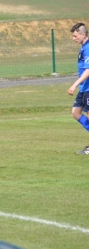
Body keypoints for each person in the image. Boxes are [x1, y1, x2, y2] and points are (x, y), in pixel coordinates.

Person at [68, 23, 89, 154]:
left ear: (83, 34)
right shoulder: (83, 47)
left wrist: (74, 84)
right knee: (75, 113)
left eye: (75, 36)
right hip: (84, 88)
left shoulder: (88, 48)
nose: (73, 38)